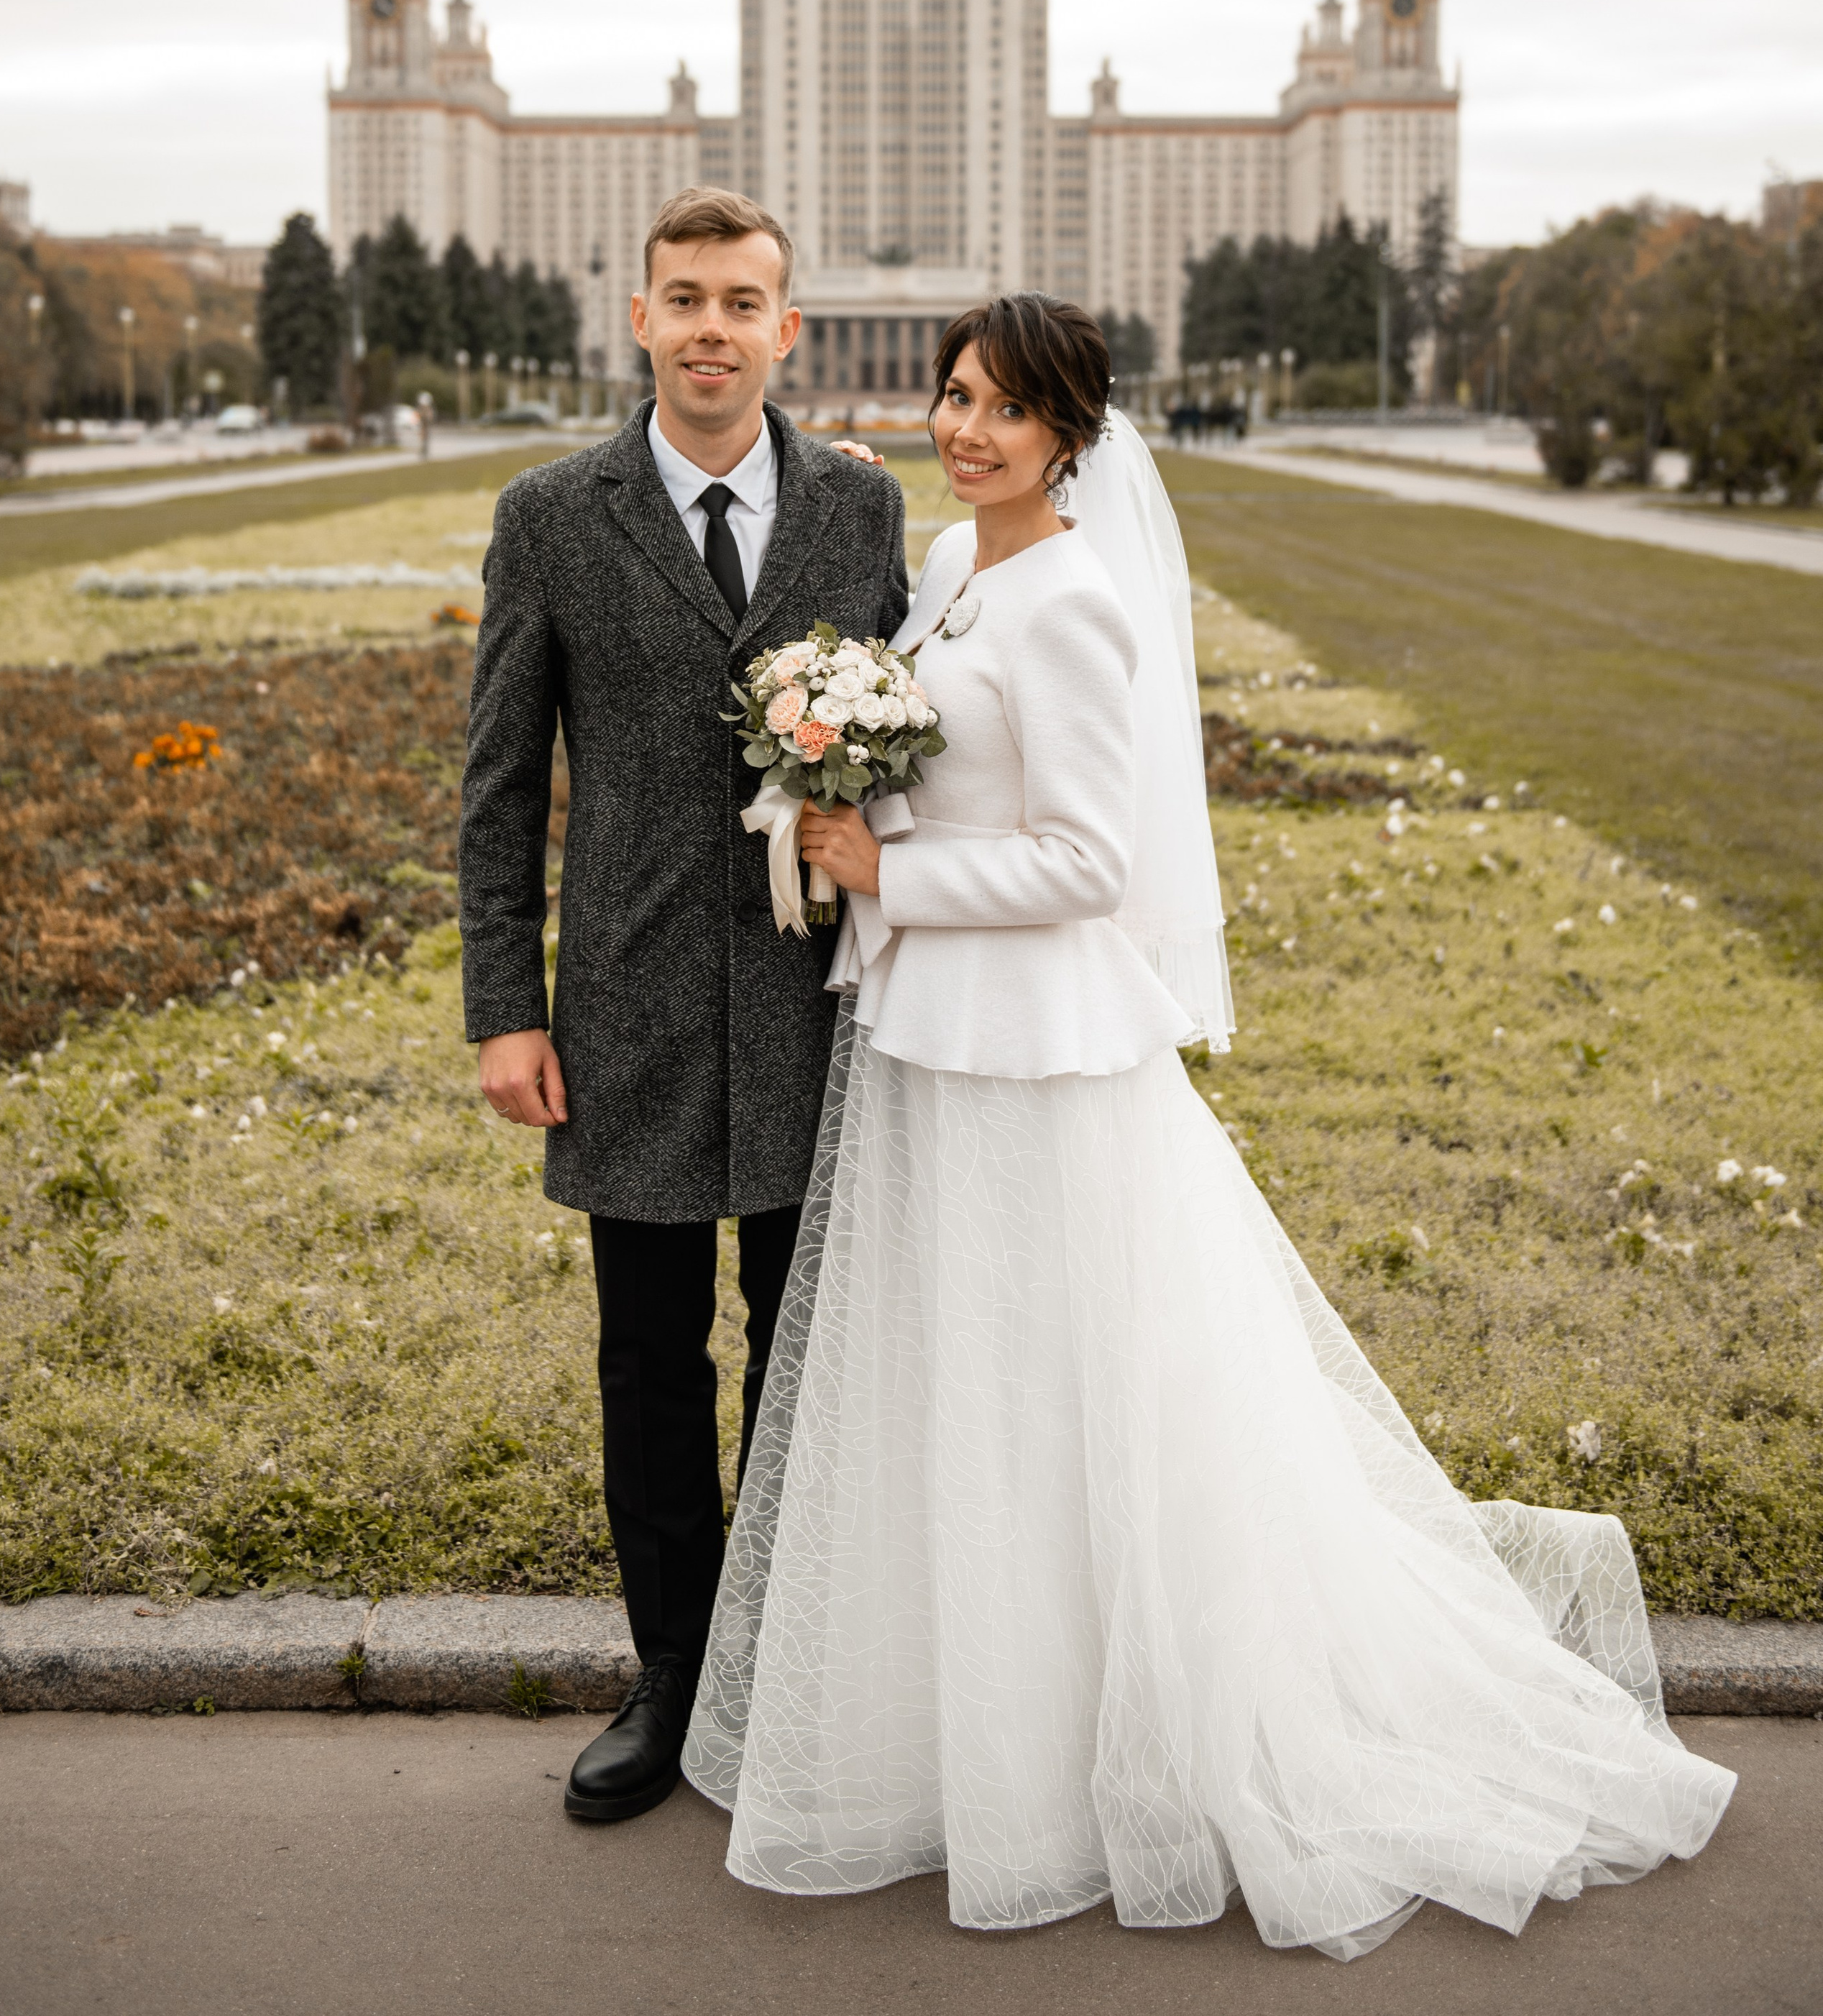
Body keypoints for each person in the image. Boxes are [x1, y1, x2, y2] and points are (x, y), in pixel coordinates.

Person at [682, 291, 1734, 1961]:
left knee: (1065, 1393)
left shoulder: (1078, 606)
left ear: (1070, 439)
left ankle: (1120, 1749)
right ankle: (977, 1738)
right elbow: (918, 715)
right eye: (954, 397)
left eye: (1002, 412)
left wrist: (892, 872)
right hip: (925, 1043)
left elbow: (1092, 864)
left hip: (1037, 1052)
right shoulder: (955, 572)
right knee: (962, 1393)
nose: (965, 431)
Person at [457, 186, 908, 1827]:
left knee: (814, 1357)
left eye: (742, 300)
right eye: (683, 298)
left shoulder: (861, 513)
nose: (711, 326)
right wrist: (504, 1006)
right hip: (627, 1010)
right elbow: (501, 783)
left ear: (786, 329)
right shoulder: (550, 515)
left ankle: (791, 1675)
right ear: (636, 320)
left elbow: (911, 745)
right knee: (650, 1362)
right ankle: (671, 1675)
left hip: (816, 1006)